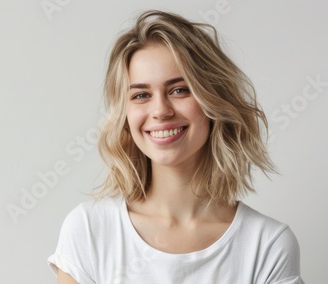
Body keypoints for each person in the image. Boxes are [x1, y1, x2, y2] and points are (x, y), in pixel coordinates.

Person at [47, 10, 303, 284]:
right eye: (141, 95)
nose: (160, 111)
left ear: (213, 100)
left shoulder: (267, 245)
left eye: (179, 90)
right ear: (124, 113)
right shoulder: (89, 229)